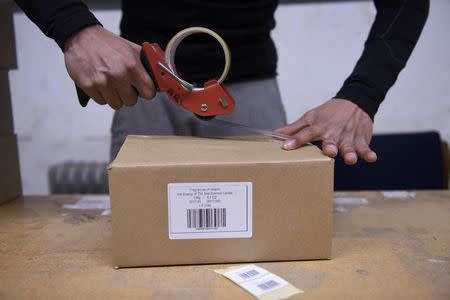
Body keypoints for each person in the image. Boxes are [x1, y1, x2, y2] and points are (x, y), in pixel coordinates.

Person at [15, 0, 429, 164]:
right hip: (143, 85)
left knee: (269, 243)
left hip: (251, 89)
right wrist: (75, 29)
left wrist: (361, 96)